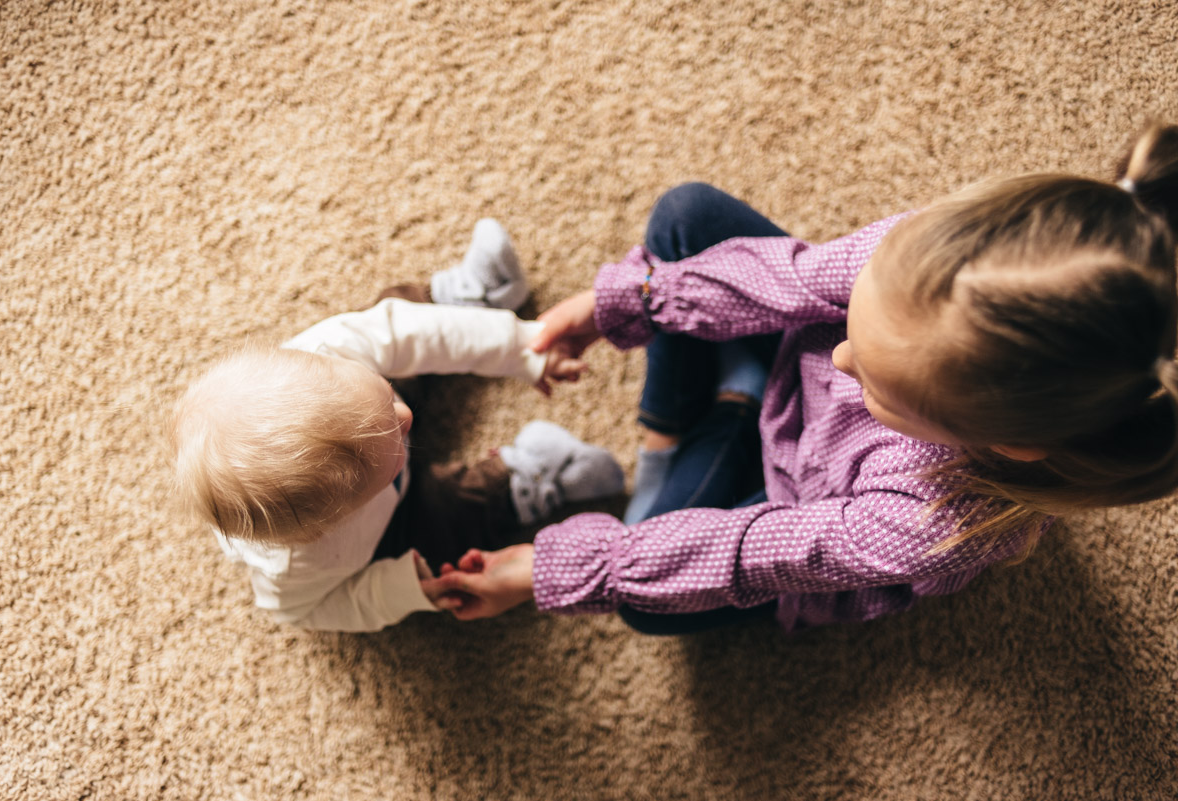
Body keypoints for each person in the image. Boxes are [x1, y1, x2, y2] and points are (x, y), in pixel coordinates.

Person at [422, 123, 1178, 634]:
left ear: (1008, 443)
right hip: (792, 373)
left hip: (797, 505)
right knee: (686, 217)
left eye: (882, 390)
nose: (845, 361)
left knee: (647, 595)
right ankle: (724, 402)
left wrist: (555, 567)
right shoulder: (924, 255)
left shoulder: (934, 523)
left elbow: (752, 550)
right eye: (859, 331)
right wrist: (636, 300)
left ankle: (702, 423)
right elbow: (797, 279)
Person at [170, 219, 624, 632]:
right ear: (333, 521)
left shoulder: (327, 353)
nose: (404, 416)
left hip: (366, 403)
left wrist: (522, 347)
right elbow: (305, 612)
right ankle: (525, 478)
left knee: (402, 316)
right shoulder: (299, 565)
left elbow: (416, 334)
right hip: (392, 519)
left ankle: (469, 298)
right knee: (445, 530)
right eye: (393, 439)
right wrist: (402, 591)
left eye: (388, 400)